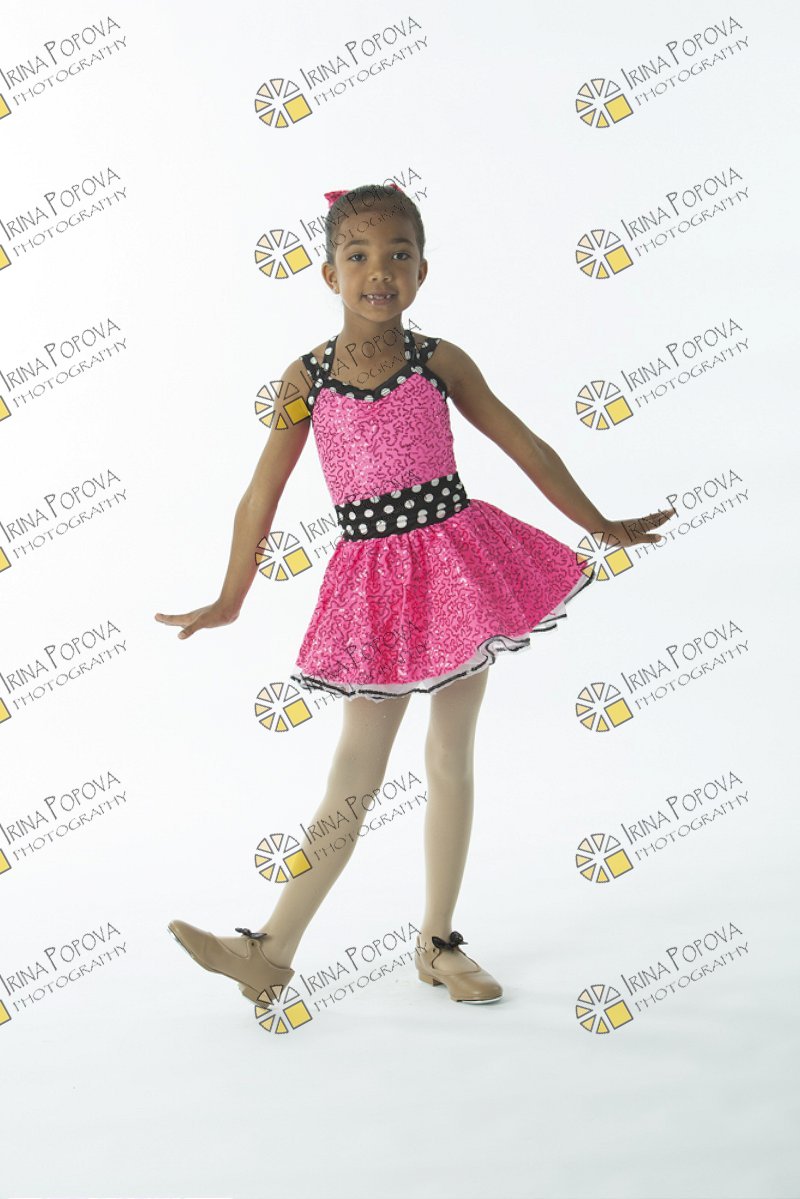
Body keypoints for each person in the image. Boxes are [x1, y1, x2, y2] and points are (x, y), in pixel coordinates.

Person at [155, 182, 674, 1012]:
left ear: (423, 270)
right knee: (353, 773)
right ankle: (270, 949)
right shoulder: (305, 378)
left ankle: (438, 942)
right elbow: (260, 494)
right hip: (370, 585)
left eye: (398, 254)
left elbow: (526, 445)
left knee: (449, 754)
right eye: (358, 255)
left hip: (457, 564)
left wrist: (600, 523)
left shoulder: (442, 362)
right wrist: (230, 596)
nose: (379, 271)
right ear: (329, 274)